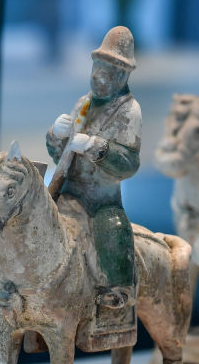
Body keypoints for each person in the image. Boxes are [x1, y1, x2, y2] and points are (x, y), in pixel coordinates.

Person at [46, 26, 140, 308]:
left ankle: (119, 290)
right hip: (67, 189)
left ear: (122, 76)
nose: (98, 76)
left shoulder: (129, 110)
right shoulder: (82, 104)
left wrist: (96, 147)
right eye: (96, 68)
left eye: (107, 71)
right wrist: (56, 136)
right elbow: (62, 157)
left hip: (101, 199)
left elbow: (129, 164)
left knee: (112, 229)